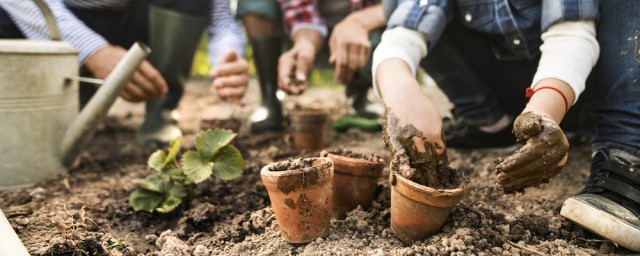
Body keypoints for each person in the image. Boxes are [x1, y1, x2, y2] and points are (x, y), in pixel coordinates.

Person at [374, 0, 639, 251]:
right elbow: (406, 30)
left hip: (587, 86)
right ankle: (491, 123)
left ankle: (624, 150)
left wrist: (543, 111)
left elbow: (572, 34)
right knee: (395, 5)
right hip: (512, 90)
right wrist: (400, 89)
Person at [0, 0, 249, 145]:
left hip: (140, 20)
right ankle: (67, 105)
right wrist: (92, 50)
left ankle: (160, 110)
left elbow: (220, 17)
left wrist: (228, 55)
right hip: (61, 19)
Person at [236, 0, 386, 132]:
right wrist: (305, 45)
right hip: (306, 35)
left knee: (397, 30)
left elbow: (404, 6)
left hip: (370, 36)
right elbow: (301, 12)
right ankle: (269, 98)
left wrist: (358, 23)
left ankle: (359, 92)